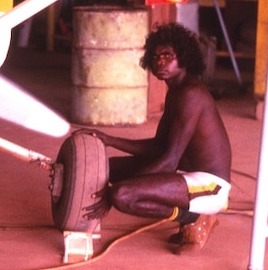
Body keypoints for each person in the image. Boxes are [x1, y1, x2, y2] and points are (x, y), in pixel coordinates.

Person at [81, 22, 232, 254]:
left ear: (184, 57)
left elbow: (169, 161)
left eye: (167, 55)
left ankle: (196, 217)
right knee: (104, 168)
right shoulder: (176, 91)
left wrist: (114, 193)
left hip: (210, 186)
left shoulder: (191, 94)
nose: (160, 61)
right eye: (156, 56)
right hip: (184, 174)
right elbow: (159, 147)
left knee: (122, 195)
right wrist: (109, 140)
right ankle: (189, 215)